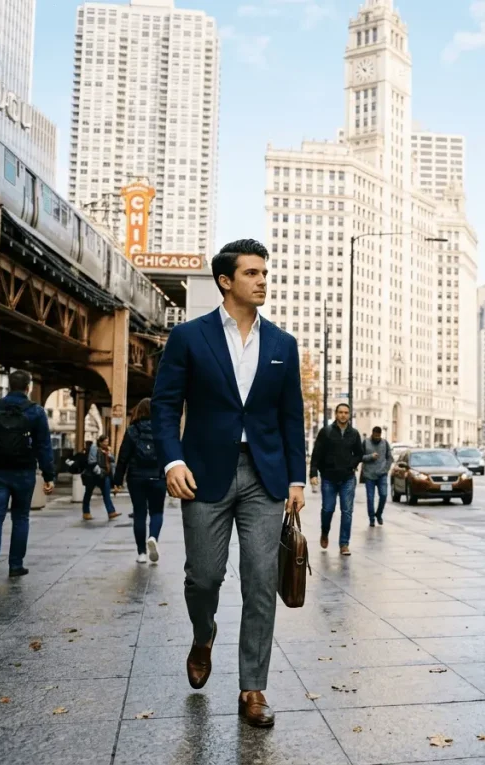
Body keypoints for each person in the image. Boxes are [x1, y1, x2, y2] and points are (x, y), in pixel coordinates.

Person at [151, 238, 306, 729]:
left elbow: (291, 416)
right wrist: (172, 461)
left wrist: (298, 478)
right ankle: (203, 633)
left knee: (261, 581)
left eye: (265, 272)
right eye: (253, 273)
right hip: (202, 473)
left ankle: (252, 688)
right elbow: (164, 405)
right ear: (226, 280)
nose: (263, 280)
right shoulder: (189, 337)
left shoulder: (282, 343)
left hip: (265, 476)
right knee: (204, 577)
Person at [0, 369, 55, 584]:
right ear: (28, 387)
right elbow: (44, 446)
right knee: (21, 517)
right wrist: (48, 475)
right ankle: (16, 565)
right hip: (24, 472)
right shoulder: (35, 412)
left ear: (8, 386)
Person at [113, 398, 166, 564]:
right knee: (157, 512)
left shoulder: (132, 430)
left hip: (136, 478)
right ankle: (153, 537)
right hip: (157, 477)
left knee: (140, 514)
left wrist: (117, 480)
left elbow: (123, 457)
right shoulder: (162, 430)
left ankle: (141, 553)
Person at [309, 403, 363, 555]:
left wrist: (351, 464)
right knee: (328, 509)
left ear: (349, 414)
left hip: (347, 478)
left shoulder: (354, 434)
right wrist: (313, 473)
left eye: (346, 412)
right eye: (340, 412)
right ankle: (325, 532)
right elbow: (316, 454)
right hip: (328, 478)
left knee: (347, 511)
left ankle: (344, 544)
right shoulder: (326, 432)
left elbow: (359, 453)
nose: (343, 415)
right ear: (336, 414)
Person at [83, 435, 120, 521]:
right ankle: (86, 512)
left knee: (107, 494)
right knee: (88, 493)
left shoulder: (107, 450)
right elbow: (92, 461)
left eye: (107, 442)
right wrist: (99, 472)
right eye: (105, 442)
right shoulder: (94, 448)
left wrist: (109, 454)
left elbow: (112, 461)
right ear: (100, 442)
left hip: (105, 475)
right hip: (93, 475)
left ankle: (111, 512)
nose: (106, 443)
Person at [361, 426, 392, 527]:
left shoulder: (385, 443)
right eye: (375, 436)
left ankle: (379, 514)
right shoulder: (366, 443)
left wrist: (386, 469)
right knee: (370, 498)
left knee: (383, 495)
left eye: (379, 436)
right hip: (369, 474)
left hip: (382, 474)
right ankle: (371, 519)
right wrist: (370, 456)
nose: (377, 438)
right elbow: (360, 457)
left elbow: (390, 458)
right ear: (372, 434)